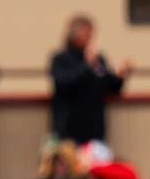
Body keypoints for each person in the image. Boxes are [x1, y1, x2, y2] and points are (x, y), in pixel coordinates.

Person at [47, 14, 130, 144]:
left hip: (95, 130)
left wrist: (121, 76)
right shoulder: (60, 59)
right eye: (87, 33)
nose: (90, 38)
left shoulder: (97, 60)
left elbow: (111, 87)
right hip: (68, 129)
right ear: (74, 34)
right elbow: (64, 83)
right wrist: (86, 66)